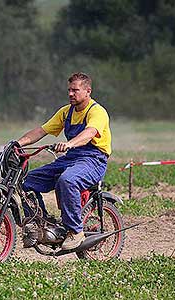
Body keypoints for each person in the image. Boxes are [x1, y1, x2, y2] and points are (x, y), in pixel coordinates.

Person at [16, 72, 112, 250]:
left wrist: (70, 144)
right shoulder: (65, 112)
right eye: (69, 90)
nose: (70, 94)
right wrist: (16, 144)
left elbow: (90, 133)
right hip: (72, 158)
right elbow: (41, 130)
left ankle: (75, 231)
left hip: (94, 159)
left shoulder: (97, 112)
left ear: (88, 91)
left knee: (67, 180)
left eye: (75, 90)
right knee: (26, 182)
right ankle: (39, 224)